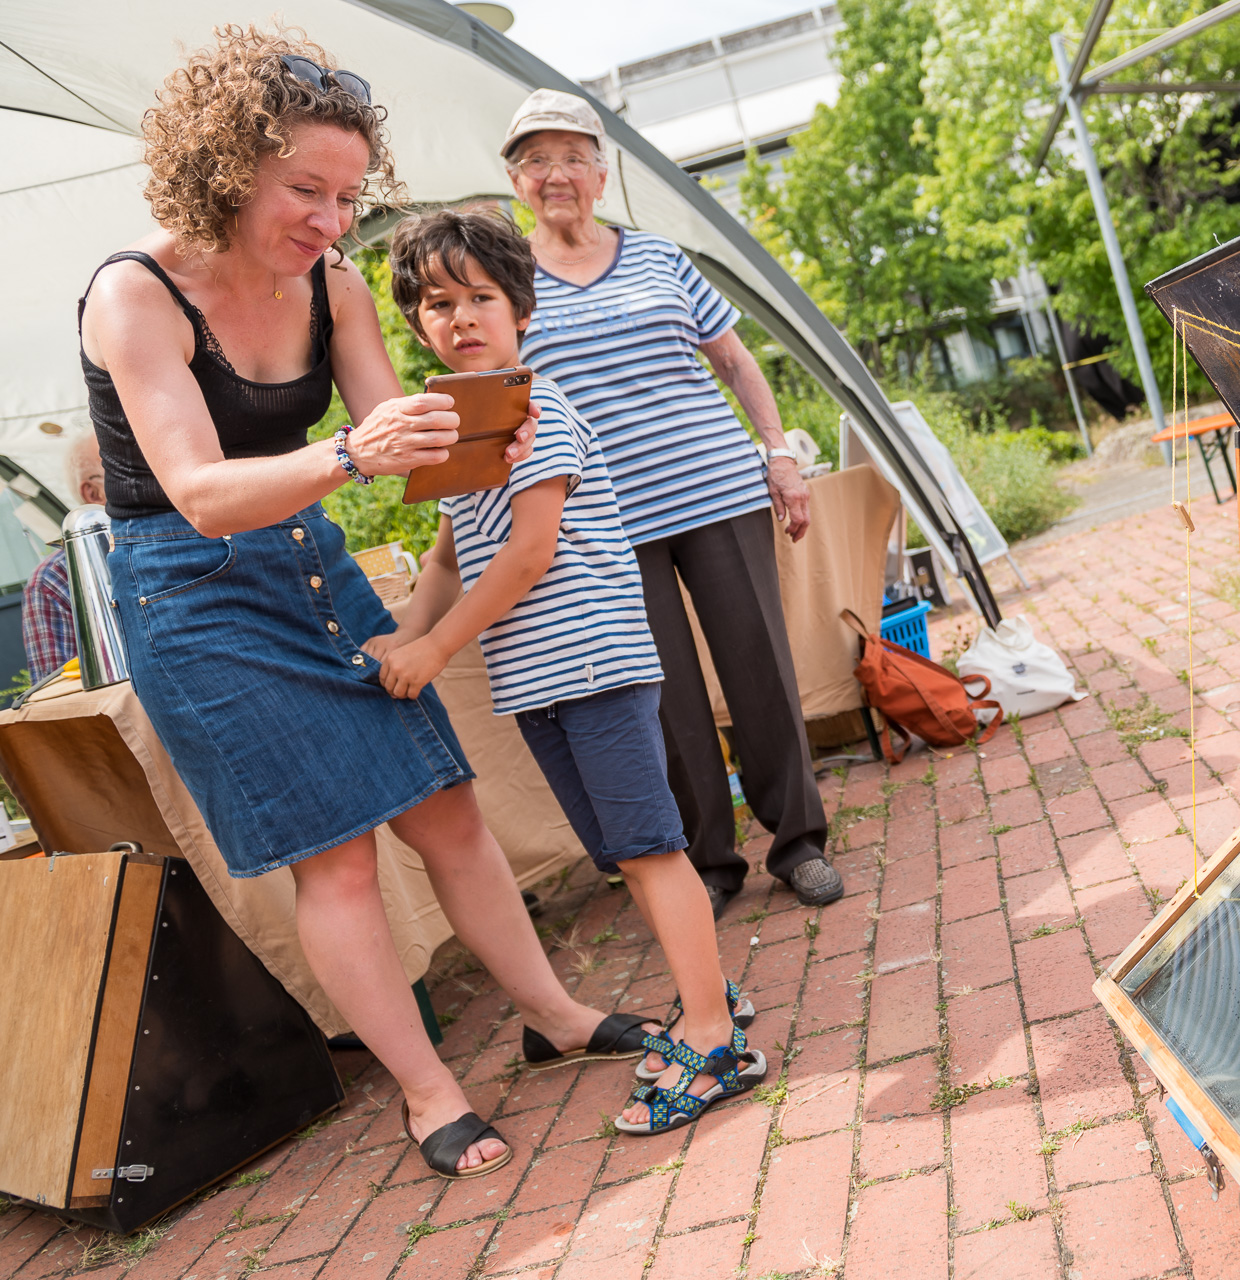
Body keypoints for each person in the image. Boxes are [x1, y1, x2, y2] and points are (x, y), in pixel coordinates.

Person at [80, 27, 658, 1180]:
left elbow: (404, 438)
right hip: (194, 597)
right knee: (336, 859)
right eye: (307, 190)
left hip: (308, 557)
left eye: (348, 196)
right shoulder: (134, 295)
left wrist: (491, 427)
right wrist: (353, 454)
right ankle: (429, 1091)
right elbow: (200, 492)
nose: (332, 221)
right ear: (227, 165)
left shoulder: (333, 283)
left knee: (448, 806)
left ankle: (553, 1014)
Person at [375, 208, 763, 1130]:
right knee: (627, 854)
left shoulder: (536, 410)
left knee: (650, 850)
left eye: (481, 297)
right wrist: (405, 632)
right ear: (418, 325)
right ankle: (709, 995)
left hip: (592, 663)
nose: (462, 317)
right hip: (539, 681)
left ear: (521, 309)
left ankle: (714, 1040)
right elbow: (448, 557)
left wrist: (434, 650)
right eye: (439, 303)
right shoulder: (467, 429)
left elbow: (528, 552)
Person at [501, 90, 841, 919]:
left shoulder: (659, 256)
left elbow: (736, 362)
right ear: (515, 180)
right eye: (538, 160)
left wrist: (779, 454)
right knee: (664, 698)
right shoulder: (508, 284)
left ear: (602, 173)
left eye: (574, 157)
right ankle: (709, 862)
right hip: (605, 525)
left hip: (717, 490)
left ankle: (799, 843)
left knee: (760, 670)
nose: (557, 175)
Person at [21, 433, 106, 681]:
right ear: (93, 493)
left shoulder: (191, 539)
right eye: (126, 469)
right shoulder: (54, 579)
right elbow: (60, 690)